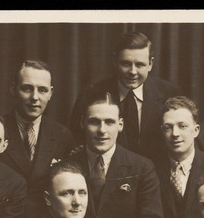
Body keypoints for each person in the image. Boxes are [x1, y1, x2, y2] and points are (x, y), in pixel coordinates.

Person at [69, 31, 182, 159]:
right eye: (126, 64)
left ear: (150, 64)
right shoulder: (90, 94)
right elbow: (77, 143)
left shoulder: (171, 94)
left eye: (139, 65)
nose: (132, 72)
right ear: (114, 61)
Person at [0, 59, 75, 218]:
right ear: (13, 89)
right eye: (27, 89)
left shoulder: (62, 135)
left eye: (42, 90)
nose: (35, 97)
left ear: (50, 93)